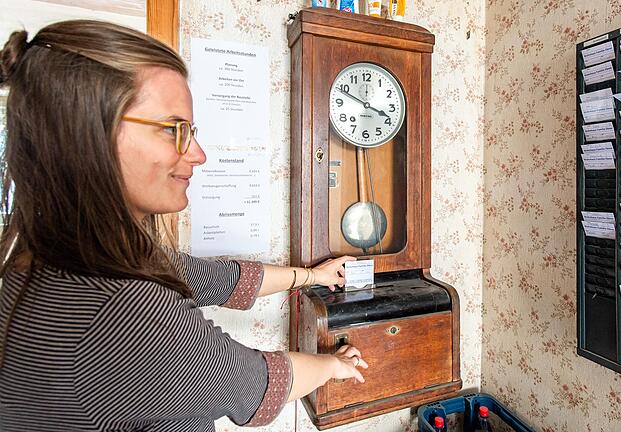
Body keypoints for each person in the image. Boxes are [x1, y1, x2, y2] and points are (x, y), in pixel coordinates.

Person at [0, 20, 367, 431]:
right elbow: (259, 384)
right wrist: (333, 365)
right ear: (87, 134)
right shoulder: (123, 313)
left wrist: (311, 275)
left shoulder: (59, 261)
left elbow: (220, 279)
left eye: (190, 131)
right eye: (174, 130)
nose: (198, 154)